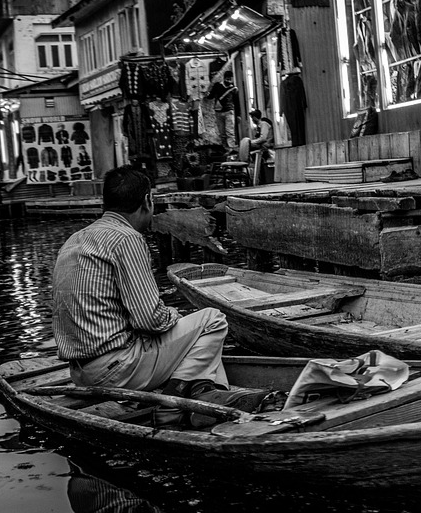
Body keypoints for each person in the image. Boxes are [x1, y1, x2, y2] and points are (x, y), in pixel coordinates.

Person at [50, 165, 271, 424]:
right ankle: (173, 405)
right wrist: (175, 315)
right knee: (212, 319)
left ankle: (204, 391)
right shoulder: (126, 238)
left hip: (80, 372)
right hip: (116, 369)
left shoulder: (74, 239)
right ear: (147, 201)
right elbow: (150, 320)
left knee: (192, 339)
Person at [207, 70, 238, 147]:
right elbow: (211, 96)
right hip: (219, 112)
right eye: (227, 79)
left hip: (229, 111)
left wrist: (238, 114)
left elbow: (236, 102)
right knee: (222, 132)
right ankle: (225, 147)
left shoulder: (234, 88)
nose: (229, 81)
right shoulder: (217, 85)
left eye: (230, 79)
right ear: (224, 78)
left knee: (230, 131)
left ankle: (231, 148)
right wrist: (207, 94)